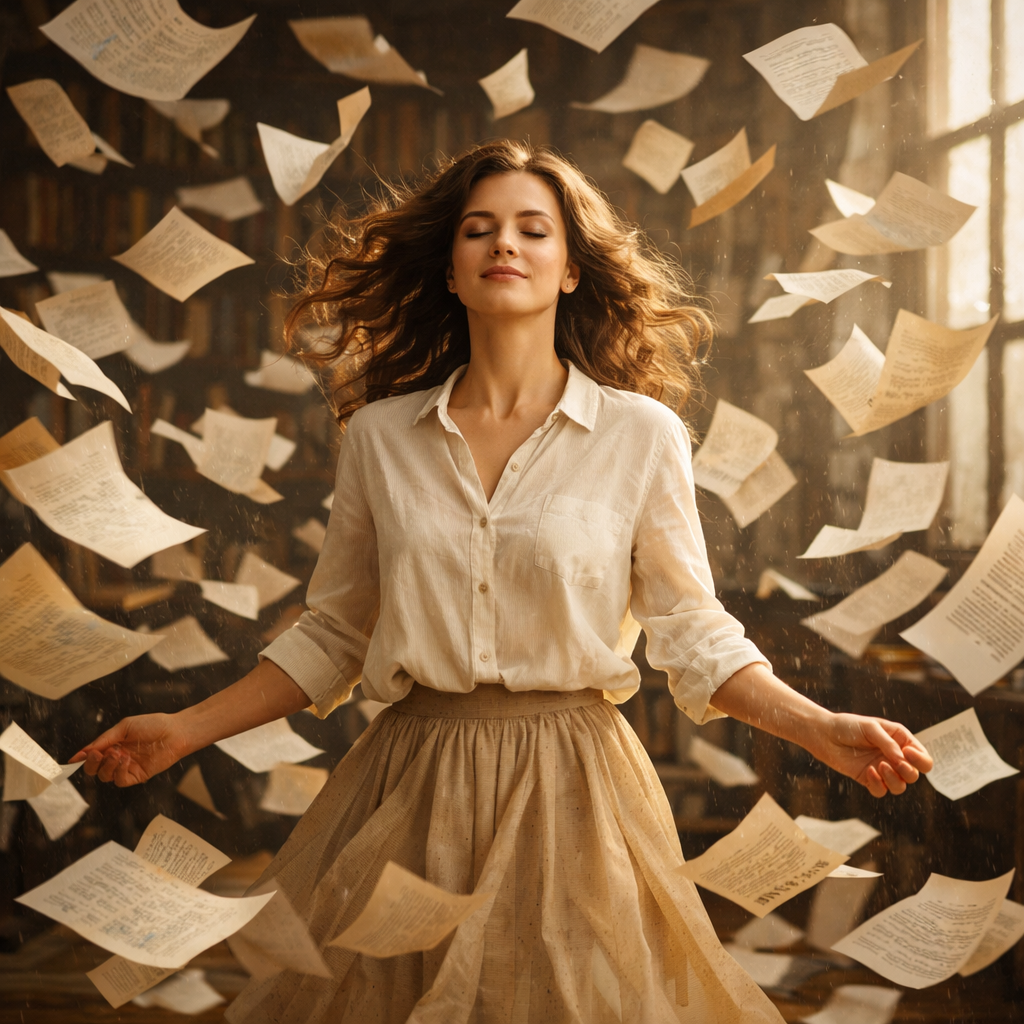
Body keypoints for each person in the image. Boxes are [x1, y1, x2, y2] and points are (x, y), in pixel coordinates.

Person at [73, 140, 932, 1024]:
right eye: (478, 230)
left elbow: (693, 632)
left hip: (577, 789)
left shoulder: (641, 436)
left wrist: (818, 727)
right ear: (450, 269)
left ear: (569, 268)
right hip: (408, 788)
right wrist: (186, 728)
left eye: (533, 229)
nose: (504, 245)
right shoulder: (379, 436)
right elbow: (335, 635)